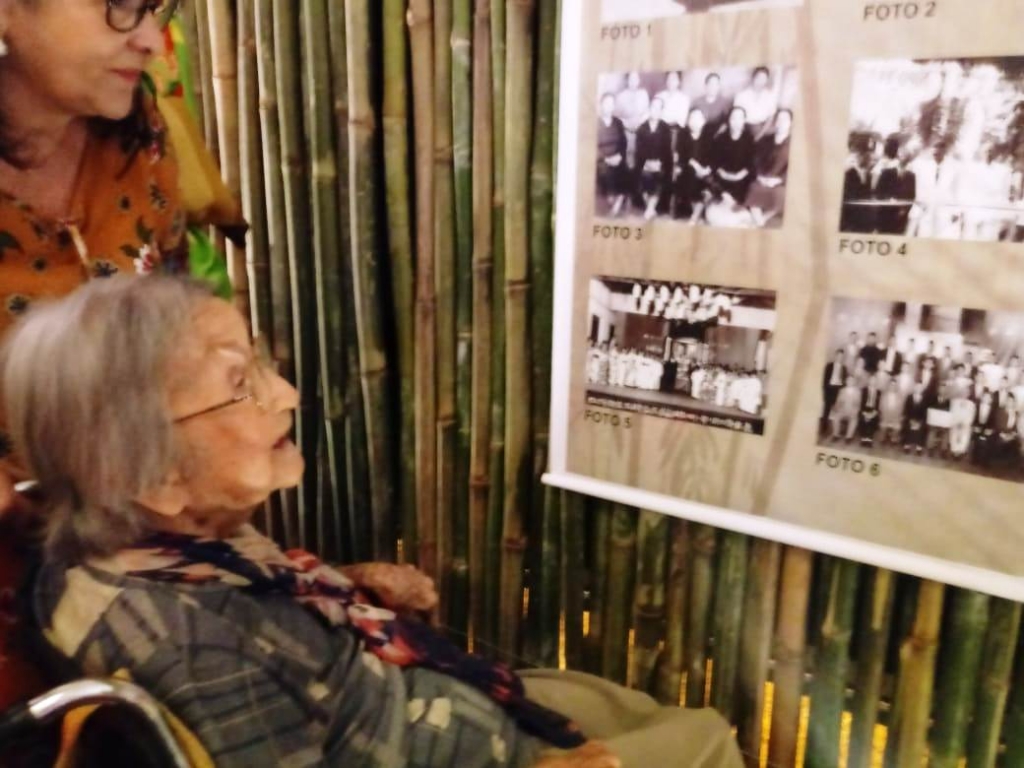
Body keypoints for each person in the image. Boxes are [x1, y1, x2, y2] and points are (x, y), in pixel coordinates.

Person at [3, 277, 744, 768]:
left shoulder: (153, 545)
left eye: (261, 367)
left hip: (428, 695)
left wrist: (348, 585)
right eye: (242, 387)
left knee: (631, 707)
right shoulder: (196, 657)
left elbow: (268, 627)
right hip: (453, 746)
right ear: (149, 471)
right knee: (707, 740)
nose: (287, 393)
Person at [0, 0, 240, 511]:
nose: (153, 40)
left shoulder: (136, 128)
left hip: (144, 526)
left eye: (153, 7)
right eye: (119, 7)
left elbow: (172, 324)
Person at [744, 108, 791, 228]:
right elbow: (756, 160)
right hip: (763, 177)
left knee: (782, 195)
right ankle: (760, 222)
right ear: (775, 122)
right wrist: (760, 176)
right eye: (779, 119)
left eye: (785, 119)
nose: (781, 122)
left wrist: (779, 180)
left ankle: (761, 220)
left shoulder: (793, 143)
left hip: (780, 181)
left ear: (791, 122)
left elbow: (793, 168)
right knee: (753, 189)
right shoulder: (766, 139)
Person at [634, 97, 673, 219]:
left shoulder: (665, 128)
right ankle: (651, 208)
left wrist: (659, 162)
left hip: (662, 162)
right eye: (653, 107)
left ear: (661, 111)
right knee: (644, 175)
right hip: (644, 162)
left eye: (658, 108)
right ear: (649, 109)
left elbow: (667, 149)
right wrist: (647, 162)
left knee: (660, 175)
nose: (655, 110)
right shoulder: (642, 128)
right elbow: (639, 149)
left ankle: (649, 209)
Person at [673, 107, 713, 221]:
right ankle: (695, 215)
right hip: (688, 169)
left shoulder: (708, 136)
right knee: (690, 176)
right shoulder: (683, 135)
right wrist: (696, 166)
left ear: (703, 121)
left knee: (708, 184)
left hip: (706, 170)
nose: (695, 122)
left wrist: (707, 169)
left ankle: (695, 215)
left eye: (698, 119)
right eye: (692, 118)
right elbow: (682, 156)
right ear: (688, 121)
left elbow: (713, 156)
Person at [873, 136, 916, 235]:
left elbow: (912, 195)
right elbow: (878, 191)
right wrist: (888, 199)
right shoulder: (887, 172)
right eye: (901, 154)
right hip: (885, 215)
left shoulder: (911, 176)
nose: (903, 156)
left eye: (906, 155)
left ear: (909, 159)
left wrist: (904, 210)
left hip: (901, 217)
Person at [711, 106, 754, 204]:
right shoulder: (721, 138)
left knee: (746, 192)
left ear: (744, 120)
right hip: (723, 176)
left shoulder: (749, 139)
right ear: (729, 120)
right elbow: (715, 160)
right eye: (733, 118)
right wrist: (722, 173)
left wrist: (739, 175)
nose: (736, 122)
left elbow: (751, 163)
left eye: (740, 118)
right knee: (714, 187)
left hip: (741, 177)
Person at [597, 93, 629, 217]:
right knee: (606, 171)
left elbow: (623, 143)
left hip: (617, 157)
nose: (608, 107)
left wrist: (620, 156)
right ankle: (612, 199)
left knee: (624, 170)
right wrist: (605, 158)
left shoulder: (618, 122)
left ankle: (617, 204)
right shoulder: (596, 122)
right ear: (601, 106)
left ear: (613, 106)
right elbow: (593, 146)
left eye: (611, 104)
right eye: (606, 104)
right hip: (602, 159)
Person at [732, 67, 778, 141]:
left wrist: (761, 134)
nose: (761, 81)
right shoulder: (741, 95)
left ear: (767, 80)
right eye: (759, 78)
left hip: (764, 127)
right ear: (753, 78)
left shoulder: (770, 96)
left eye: (764, 79)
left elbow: (770, 118)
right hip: (746, 127)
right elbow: (736, 117)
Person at [694, 72, 730, 137]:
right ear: (705, 86)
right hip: (700, 135)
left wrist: (718, 134)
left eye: (716, 84)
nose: (713, 87)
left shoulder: (724, 102)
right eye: (711, 84)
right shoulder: (697, 102)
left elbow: (726, 122)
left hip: (719, 135)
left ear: (719, 86)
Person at [822, 349, 846, 424]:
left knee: (838, 410)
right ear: (835, 356)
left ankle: (835, 429)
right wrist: (825, 390)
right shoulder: (829, 366)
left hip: (838, 390)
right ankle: (824, 427)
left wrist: (841, 385)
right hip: (829, 389)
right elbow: (825, 380)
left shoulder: (844, 368)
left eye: (841, 356)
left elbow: (844, 382)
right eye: (838, 356)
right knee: (826, 409)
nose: (840, 358)